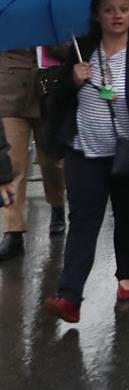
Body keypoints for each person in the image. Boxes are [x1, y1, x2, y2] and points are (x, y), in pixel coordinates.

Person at [42, 0, 129, 323]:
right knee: (82, 221)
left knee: (127, 216)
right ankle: (69, 297)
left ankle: (126, 278)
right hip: (85, 150)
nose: (117, 16)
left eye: (123, 9)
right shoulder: (82, 50)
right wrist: (73, 80)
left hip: (126, 153)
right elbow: (58, 99)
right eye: (109, 10)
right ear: (97, 15)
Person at [0, 47, 66, 261]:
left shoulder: (53, 19)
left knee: (50, 161)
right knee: (13, 165)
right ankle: (13, 231)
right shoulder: (8, 15)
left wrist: (51, 44)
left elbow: (69, 49)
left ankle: (57, 205)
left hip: (50, 92)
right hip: (10, 94)